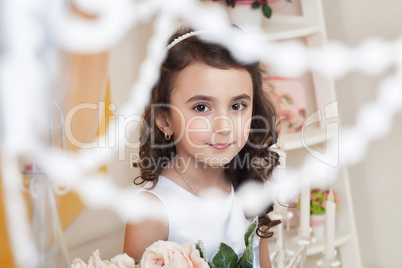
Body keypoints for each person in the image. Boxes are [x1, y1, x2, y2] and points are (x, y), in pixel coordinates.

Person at [124, 25, 280, 267]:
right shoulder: (151, 214)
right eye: (201, 107)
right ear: (165, 120)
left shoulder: (247, 184)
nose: (224, 127)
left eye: (237, 106)